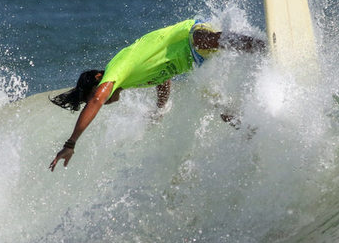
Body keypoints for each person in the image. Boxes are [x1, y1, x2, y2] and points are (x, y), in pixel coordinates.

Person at [49, 18, 264, 170]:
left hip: (190, 37)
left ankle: (263, 47)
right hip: (199, 61)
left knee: (209, 41)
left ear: (98, 79)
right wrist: (160, 108)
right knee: (216, 104)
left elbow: (96, 100)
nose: (103, 102)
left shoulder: (116, 71)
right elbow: (162, 79)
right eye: (102, 101)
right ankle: (255, 129)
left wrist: (71, 143)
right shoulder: (130, 80)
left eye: (98, 96)